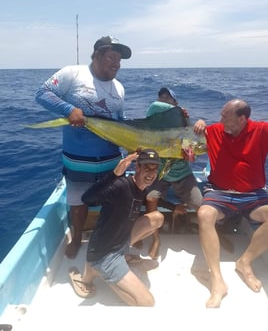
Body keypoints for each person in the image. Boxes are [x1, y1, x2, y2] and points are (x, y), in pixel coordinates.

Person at [35, 36, 132, 259]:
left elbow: (120, 119)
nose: (116, 63)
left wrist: (130, 145)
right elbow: (42, 94)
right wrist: (69, 109)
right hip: (78, 158)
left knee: (113, 201)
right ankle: (77, 236)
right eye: (111, 57)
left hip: (111, 159)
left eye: (119, 59)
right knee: (78, 202)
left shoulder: (119, 87)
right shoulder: (73, 73)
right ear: (96, 55)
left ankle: (106, 238)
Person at [193, 99, 268, 308]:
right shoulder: (215, 131)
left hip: (253, 194)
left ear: (242, 118)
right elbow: (189, 137)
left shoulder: (262, 131)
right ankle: (217, 281)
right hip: (219, 192)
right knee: (204, 214)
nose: (220, 120)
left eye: (225, 117)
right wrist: (197, 123)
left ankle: (245, 262)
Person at [69, 149, 164, 306]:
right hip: (104, 253)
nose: (151, 173)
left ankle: (120, 258)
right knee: (147, 303)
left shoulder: (141, 188)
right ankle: (105, 275)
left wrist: (175, 207)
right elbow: (87, 198)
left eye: (155, 168)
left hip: (119, 244)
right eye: (147, 167)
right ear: (137, 168)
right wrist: (114, 175)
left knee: (157, 218)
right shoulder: (120, 186)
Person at [145, 87, 203, 258]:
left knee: (201, 205)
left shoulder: (184, 121)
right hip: (160, 174)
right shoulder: (155, 116)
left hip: (183, 173)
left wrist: (200, 121)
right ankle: (155, 238)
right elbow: (154, 106)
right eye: (161, 97)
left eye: (168, 98)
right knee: (150, 198)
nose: (163, 100)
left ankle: (210, 235)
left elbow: (198, 141)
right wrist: (173, 109)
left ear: (176, 103)